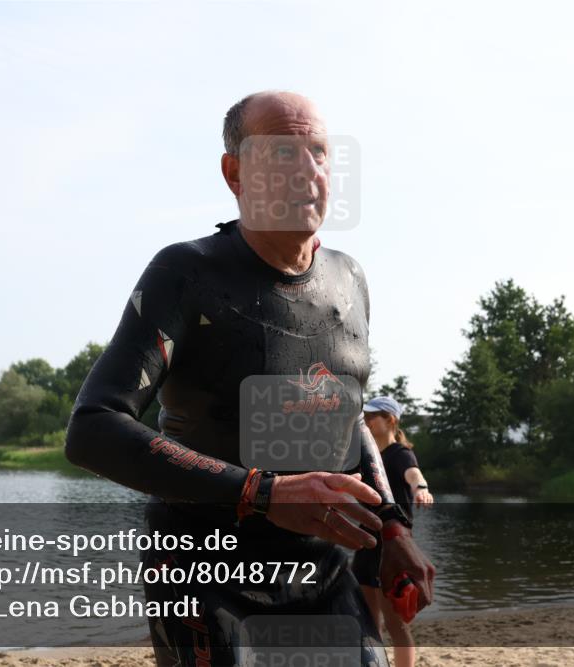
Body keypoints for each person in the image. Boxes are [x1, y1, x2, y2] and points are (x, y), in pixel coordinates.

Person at [65, 90, 436, 666]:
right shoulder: (185, 273)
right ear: (234, 173)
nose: (308, 172)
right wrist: (261, 493)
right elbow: (92, 428)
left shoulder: (349, 280)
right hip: (203, 570)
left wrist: (390, 526)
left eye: (318, 153)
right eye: (283, 155)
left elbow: (348, 417)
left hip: (323, 572)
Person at [352, 396, 434, 667]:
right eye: (365, 416)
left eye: (372, 416)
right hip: (365, 544)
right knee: (368, 622)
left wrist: (420, 488)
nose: (367, 420)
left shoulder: (400, 454)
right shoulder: (367, 455)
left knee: (395, 625)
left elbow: (414, 474)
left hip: (393, 549)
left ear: (390, 419)